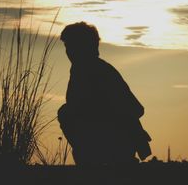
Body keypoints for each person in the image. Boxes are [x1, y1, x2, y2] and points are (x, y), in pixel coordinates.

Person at [57, 21, 151, 166]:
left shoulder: (97, 70)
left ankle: (99, 161)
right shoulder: (85, 69)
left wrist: (101, 117)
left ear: (85, 46)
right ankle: (94, 160)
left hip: (115, 142)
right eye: (67, 46)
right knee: (66, 112)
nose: (68, 51)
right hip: (109, 139)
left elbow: (135, 109)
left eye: (72, 45)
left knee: (66, 113)